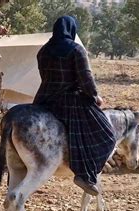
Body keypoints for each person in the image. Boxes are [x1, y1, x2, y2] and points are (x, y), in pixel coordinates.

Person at [33, 16, 116, 196]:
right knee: (107, 134)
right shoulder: (77, 50)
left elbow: (44, 78)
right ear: (72, 30)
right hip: (70, 102)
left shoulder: (43, 51)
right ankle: (84, 175)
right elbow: (86, 79)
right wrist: (95, 97)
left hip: (44, 99)